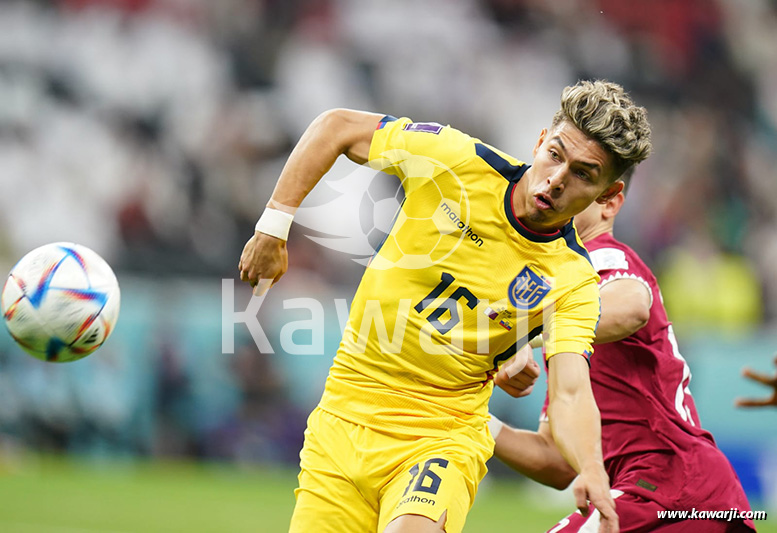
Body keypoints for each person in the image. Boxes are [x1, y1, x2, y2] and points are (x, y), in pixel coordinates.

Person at [239, 80, 652, 533]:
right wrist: (273, 228)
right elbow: (336, 127)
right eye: (555, 155)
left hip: (441, 434)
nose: (556, 179)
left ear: (605, 193)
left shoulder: (572, 280)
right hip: (344, 411)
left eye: (583, 174)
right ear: (539, 142)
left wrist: (592, 468)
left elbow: (572, 390)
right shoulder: (457, 161)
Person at [490, 170, 756, 532]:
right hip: (684, 494)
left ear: (610, 203)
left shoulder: (599, 259)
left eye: (580, 182)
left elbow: (631, 305)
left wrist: (517, 332)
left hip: (669, 485)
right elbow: (556, 461)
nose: (556, 189)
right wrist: (471, 421)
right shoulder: (562, 304)